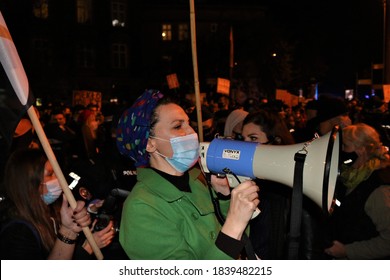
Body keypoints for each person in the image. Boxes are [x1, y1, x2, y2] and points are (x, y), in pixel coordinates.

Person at [116, 89, 259, 260]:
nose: (192, 132)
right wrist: (234, 224)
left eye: (188, 123)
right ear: (150, 144)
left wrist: (224, 197)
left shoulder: (198, 179)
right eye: (178, 126)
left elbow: (239, 241)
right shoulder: (140, 208)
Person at [242, 109, 325, 259]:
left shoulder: (294, 182)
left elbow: (310, 245)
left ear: (276, 141)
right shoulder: (249, 179)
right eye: (243, 139)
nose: (245, 145)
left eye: (253, 138)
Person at [0, 148, 112, 259]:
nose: (58, 178)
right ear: (29, 184)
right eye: (50, 174)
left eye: (57, 171)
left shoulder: (52, 208)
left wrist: (90, 210)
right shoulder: (17, 233)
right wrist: (87, 248)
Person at [324, 123, 390, 259]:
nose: (341, 151)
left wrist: (347, 250)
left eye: (345, 146)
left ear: (360, 150)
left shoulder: (379, 189)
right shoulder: (350, 177)